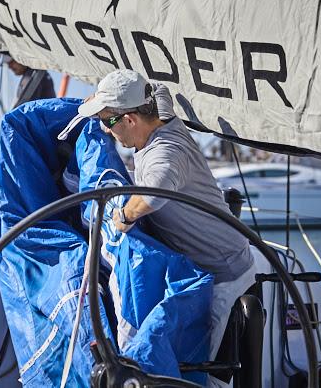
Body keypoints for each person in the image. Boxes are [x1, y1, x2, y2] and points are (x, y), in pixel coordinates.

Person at [78, 69, 256, 378]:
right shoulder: (157, 109)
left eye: (108, 122)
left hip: (222, 273)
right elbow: (156, 87)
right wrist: (102, 99)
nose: (106, 131)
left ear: (130, 119)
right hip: (198, 263)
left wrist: (123, 216)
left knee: (206, 368)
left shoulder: (165, 152)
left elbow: (153, 195)